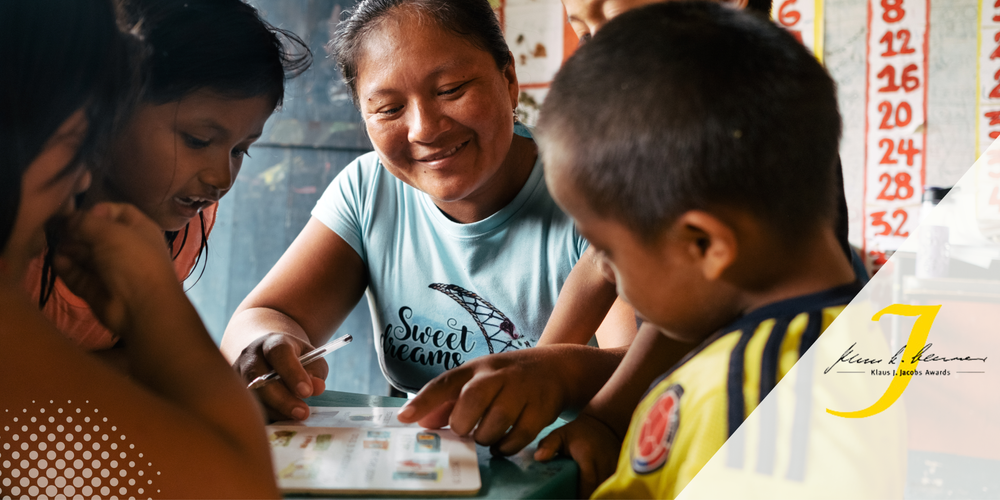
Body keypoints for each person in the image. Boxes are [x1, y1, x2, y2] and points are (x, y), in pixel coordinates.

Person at [221, 0, 636, 452]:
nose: (424, 129)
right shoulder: (369, 189)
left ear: (509, 80)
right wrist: (267, 348)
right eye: (387, 108)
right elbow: (265, 316)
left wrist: (557, 372)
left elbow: (648, 364)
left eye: (452, 89)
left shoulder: (595, 192)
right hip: (424, 466)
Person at [533, 3, 864, 497]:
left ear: (704, 244)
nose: (605, 273)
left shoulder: (749, 397)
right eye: (584, 31)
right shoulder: (825, 339)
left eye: (609, 252)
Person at [0, 0, 277, 497]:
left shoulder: (165, 232)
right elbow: (238, 485)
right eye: (75, 135)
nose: (82, 173)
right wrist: (158, 310)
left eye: (240, 150)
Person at [24, 0, 311, 352]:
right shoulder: (23, 231)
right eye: (198, 141)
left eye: (240, 150)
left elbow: (139, 361)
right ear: (106, 109)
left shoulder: (184, 228)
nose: (221, 178)